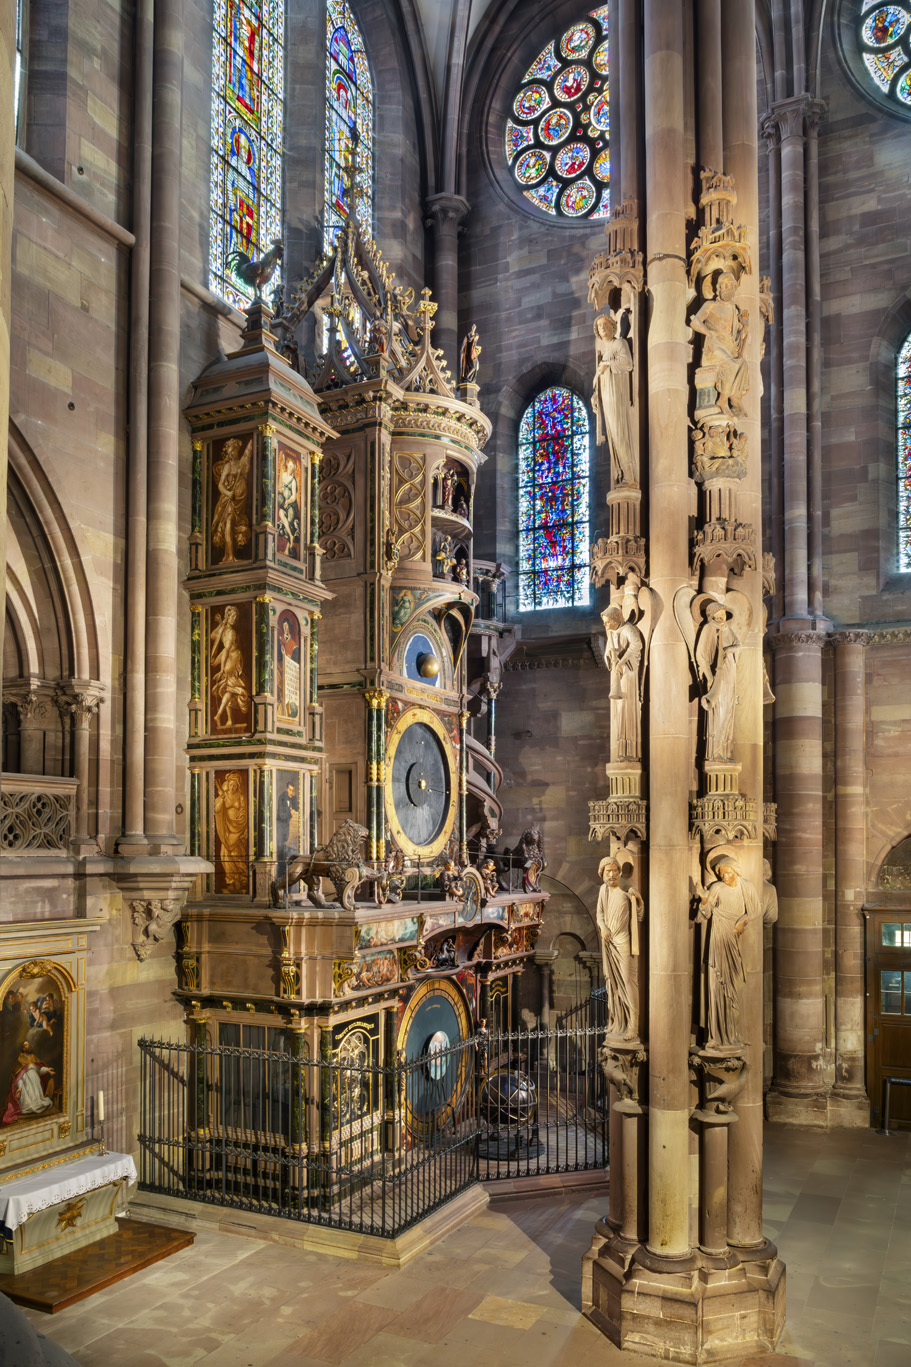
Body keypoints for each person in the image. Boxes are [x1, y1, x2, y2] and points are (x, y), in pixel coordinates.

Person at [695, 854, 759, 1049]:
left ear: (735, 871)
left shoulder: (746, 886)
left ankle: (733, 1034)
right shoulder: (717, 888)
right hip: (717, 937)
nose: (725, 877)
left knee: (734, 985)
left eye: (728, 873)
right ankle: (714, 1035)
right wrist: (704, 901)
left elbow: (755, 909)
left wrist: (742, 921)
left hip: (735, 939)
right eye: (722, 874)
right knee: (716, 985)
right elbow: (704, 914)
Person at [690, 271, 750, 418]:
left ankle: (735, 398)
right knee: (732, 365)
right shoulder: (710, 305)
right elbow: (695, 322)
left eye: (730, 285)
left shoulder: (735, 310)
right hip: (714, 347)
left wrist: (745, 327)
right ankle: (722, 400)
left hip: (730, 347)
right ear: (719, 288)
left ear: (734, 287)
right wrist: (709, 335)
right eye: (724, 284)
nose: (727, 288)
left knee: (742, 364)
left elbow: (738, 338)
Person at [596, 856, 644, 1039]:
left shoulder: (627, 890)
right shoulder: (603, 890)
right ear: (603, 874)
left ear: (619, 872)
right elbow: (599, 913)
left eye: (614, 870)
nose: (611, 874)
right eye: (608, 871)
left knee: (628, 981)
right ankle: (616, 1021)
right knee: (612, 983)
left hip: (623, 941)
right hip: (609, 941)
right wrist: (604, 927)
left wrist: (637, 900)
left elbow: (640, 915)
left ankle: (633, 1025)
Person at [592, 313, 637, 486]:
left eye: (605, 325)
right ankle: (622, 473)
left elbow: (627, 363)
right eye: (600, 326)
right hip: (606, 397)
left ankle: (630, 475)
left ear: (612, 327)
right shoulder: (604, 352)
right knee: (612, 436)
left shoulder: (619, 343)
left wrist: (607, 365)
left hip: (616, 395)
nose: (602, 328)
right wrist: (595, 396)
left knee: (619, 432)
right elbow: (598, 379)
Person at [695, 602, 741, 762]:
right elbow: (701, 655)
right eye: (719, 614)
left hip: (729, 673)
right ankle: (715, 752)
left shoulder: (727, 629)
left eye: (724, 614)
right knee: (719, 711)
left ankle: (726, 751)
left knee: (728, 712)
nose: (722, 617)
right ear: (711, 615)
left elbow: (738, 645)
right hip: (717, 675)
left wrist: (729, 650)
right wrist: (710, 677)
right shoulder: (708, 629)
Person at [602, 605, 643, 761]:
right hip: (618, 675)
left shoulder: (627, 629)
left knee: (627, 707)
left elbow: (636, 644)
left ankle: (631, 749)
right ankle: (622, 748)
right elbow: (608, 654)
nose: (606, 625)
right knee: (619, 710)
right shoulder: (613, 633)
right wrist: (611, 659)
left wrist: (621, 662)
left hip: (628, 674)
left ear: (615, 619)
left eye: (607, 622)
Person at [211, 437, 252, 564]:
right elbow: (220, 485)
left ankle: (231, 555)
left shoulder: (241, 464)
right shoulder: (228, 466)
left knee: (234, 524)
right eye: (230, 451)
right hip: (228, 500)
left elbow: (248, 454)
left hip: (239, 501)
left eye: (233, 450)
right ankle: (228, 556)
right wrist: (229, 493)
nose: (231, 453)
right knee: (228, 521)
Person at [210, 606, 249, 730]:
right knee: (235, 688)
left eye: (236, 617)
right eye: (232, 617)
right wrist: (221, 669)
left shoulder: (225, 630)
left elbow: (214, 637)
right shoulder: (231, 632)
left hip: (231, 660)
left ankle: (228, 720)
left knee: (229, 690)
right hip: (232, 662)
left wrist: (221, 623)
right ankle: (219, 715)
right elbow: (226, 650)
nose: (234, 619)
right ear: (228, 617)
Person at [2, 1042, 55, 1125]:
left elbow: (38, 1070)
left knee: (38, 1099)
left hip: (36, 1082)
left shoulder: (33, 1057)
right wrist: (19, 1088)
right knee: (29, 1101)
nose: (29, 1045)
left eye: (29, 1044)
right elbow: (19, 1076)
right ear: (23, 1048)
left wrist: (47, 1070)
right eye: (26, 1045)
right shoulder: (20, 1059)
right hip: (26, 1082)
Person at [214, 771, 248, 894]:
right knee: (225, 855)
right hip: (227, 831)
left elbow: (245, 812)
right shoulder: (223, 796)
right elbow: (216, 810)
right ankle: (231, 882)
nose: (232, 787)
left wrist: (241, 824)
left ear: (238, 786)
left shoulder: (241, 796)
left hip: (239, 831)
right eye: (231, 785)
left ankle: (241, 879)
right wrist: (221, 800)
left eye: (235, 785)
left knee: (236, 855)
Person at [277, 453, 300, 554]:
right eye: (290, 466)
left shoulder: (293, 480)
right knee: (281, 514)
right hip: (284, 503)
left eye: (293, 467)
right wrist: (281, 490)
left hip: (291, 505)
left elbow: (294, 496)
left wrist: (288, 501)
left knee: (290, 522)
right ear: (287, 465)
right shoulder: (283, 475)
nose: (291, 469)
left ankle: (288, 548)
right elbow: (280, 488)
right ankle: (290, 536)